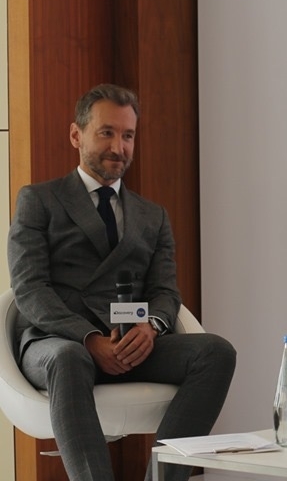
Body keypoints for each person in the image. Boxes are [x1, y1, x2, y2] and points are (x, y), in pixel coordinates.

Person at [8, 84, 237, 481]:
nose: (119, 147)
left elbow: (165, 291)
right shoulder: (39, 201)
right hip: (58, 343)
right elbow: (30, 289)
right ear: (76, 135)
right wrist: (88, 339)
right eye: (107, 133)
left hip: (130, 343)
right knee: (68, 357)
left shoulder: (153, 215)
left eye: (128, 135)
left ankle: (164, 477)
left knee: (216, 352)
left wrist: (152, 327)